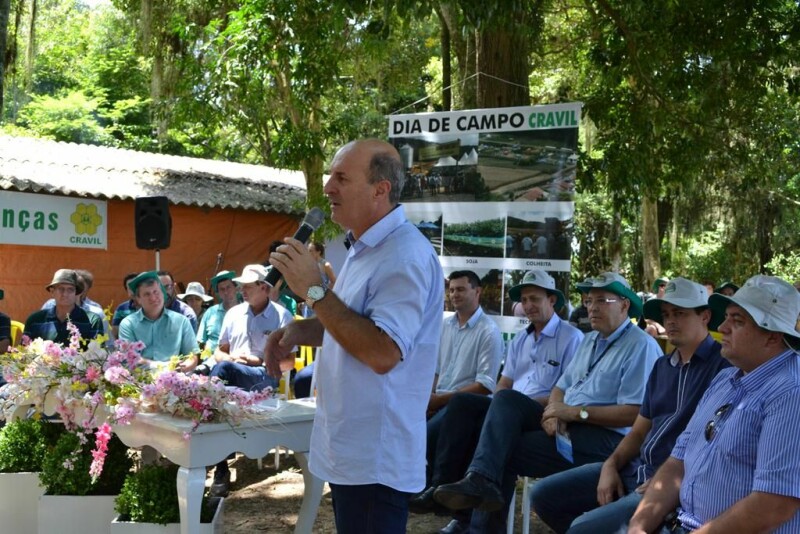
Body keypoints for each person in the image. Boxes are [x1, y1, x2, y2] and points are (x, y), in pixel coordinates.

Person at [265, 139, 444, 534]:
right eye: (330, 175)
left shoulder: (405, 255)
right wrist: (299, 330)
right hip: (351, 446)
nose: (328, 187)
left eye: (341, 177)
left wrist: (313, 291)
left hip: (374, 456)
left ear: (380, 189)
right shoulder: (364, 248)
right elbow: (348, 323)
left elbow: (382, 351)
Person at [433, 272, 661, 533]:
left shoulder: (641, 346)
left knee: (503, 447)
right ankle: (475, 482)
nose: (592, 308)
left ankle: (476, 516)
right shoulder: (590, 340)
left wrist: (574, 413)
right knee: (500, 401)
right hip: (567, 425)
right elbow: (560, 387)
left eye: (602, 301)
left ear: (624, 305)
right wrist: (554, 412)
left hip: (606, 440)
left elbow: (634, 413)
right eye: (588, 301)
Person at [531, 277, 730, 533]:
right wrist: (611, 465)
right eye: (666, 313)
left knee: (582, 528)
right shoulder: (663, 366)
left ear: (705, 316)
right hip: (634, 468)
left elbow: (716, 441)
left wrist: (669, 481)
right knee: (543, 495)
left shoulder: (722, 367)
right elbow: (638, 430)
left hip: (670, 482)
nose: (670, 321)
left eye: (680, 313)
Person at [412, 270, 583, 534]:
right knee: (463, 405)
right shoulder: (520, 339)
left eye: (535, 299)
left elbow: (566, 391)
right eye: (524, 300)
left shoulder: (571, 338)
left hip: (542, 411)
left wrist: (507, 400)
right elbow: (504, 382)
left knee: (497, 405)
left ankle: (467, 511)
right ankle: (442, 486)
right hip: (507, 408)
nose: (528, 306)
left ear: (553, 301)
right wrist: (501, 401)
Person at [629, 275, 800, 534]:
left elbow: (774, 504)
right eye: (727, 317)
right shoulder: (725, 378)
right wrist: (638, 526)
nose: (722, 327)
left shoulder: (790, 393)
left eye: (738, 321)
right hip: (680, 522)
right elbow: (678, 461)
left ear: (773, 337)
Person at [208, 263, 294, 496]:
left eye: (248, 286)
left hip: (265, 377)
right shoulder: (233, 313)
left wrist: (262, 362)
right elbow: (219, 353)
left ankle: (213, 454)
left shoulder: (281, 315)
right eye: (241, 286)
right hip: (234, 374)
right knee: (222, 382)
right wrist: (232, 357)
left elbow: (290, 362)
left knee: (219, 378)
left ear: (265, 288)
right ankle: (221, 465)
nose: (242, 291)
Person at [426, 270, 504, 484]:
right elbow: (436, 370)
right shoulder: (444, 326)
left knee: (426, 434)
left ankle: (436, 488)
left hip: (466, 407)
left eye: (460, 289)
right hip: (438, 401)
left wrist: (439, 400)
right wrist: (429, 399)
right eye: (451, 290)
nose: (454, 295)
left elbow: (485, 386)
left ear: (477, 291)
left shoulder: (489, 331)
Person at [118, 271, 199, 369]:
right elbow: (130, 359)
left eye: (156, 292)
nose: (153, 298)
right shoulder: (128, 324)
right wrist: (165, 366)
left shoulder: (181, 321)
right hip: (140, 381)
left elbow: (192, 356)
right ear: (138, 299)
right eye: (147, 294)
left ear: (163, 293)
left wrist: (182, 369)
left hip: (174, 377)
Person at [24, 269, 104, 345]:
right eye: (61, 289)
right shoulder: (35, 320)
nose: (65, 294)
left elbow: (98, 354)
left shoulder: (92, 320)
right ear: (52, 291)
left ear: (76, 293)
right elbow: (24, 353)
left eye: (70, 290)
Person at [196, 270, 238, 354]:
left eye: (228, 287)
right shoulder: (210, 312)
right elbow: (200, 341)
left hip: (236, 357)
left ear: (236, 288)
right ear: (218, 293)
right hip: (211, 359)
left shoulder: (245, 311)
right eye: (222, 289)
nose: (226, 292)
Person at [111, 272, 140, 339]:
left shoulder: (151, 306)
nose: (133, 289)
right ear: (127, 291)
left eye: (136, 286)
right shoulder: (121, 309)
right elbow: (115, 335)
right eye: (130, 287)